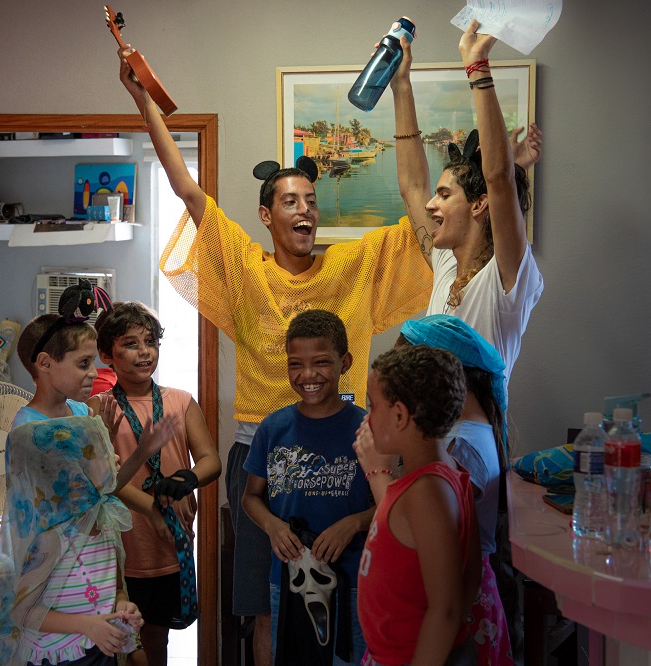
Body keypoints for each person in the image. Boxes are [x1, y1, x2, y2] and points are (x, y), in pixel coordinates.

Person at [117, 45, 434, 665]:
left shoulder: (354, 265)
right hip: (260, 453)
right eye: (290, 202)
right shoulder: (244, 268)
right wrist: (141, 99)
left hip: (348, 448)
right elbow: (186, 188)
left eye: (311, 201)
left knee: (354, 592)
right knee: (266, 603)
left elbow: (419, 220)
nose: (305, 210)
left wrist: (402, 92)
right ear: (266, 216)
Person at [0, 282, 163, 666]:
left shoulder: (80, 413)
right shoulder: (30, 432)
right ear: (44, 365)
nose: (95, 373)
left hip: (96, 559)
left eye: (94, 361)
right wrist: (129, 446)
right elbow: (98, 489)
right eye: (83, 363)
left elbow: (105, 486)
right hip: (55, 570)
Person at [390, 20, 543, 389]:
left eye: (444, 195)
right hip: (428, 443)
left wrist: (477, 66)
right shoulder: (446, 263)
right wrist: (401, 86)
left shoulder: (506, 280)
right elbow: (412, 186)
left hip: (474, 444)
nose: (429, 204)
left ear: (478, 206)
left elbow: (499, 180)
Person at [87, 301, 221, 666]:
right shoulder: (98, 408)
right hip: (124, 544)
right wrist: (151, 509)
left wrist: (188, 478)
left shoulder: (180, 401)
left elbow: (211, 460)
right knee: (122, 640)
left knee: (156, 635)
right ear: (106, 354)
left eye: (150, 342)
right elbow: (101, 482)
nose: (144, 352)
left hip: (171, 542)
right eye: (131, 344)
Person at [241, 309, 374, 665]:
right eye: (295, 364)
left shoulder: (368, 429)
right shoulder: (273, 428)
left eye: (321, 362)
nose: (308, 375)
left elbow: (393, 503)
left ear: (344, 363)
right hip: (288, 581)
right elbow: (251, 497)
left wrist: (354, 523)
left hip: (354, 582)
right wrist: (272, 526)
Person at [395, 314, 514, 664]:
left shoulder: (461, 446)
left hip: (460, 602)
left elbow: (421, 520)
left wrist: (379, 467)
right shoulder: (463, 435)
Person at [356, 345, 481, 666]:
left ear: (399, 415)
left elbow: (447, 608)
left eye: (373, 406)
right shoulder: (442, 474)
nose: (368, 417)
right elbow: (468, 576)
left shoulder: (428, 493)